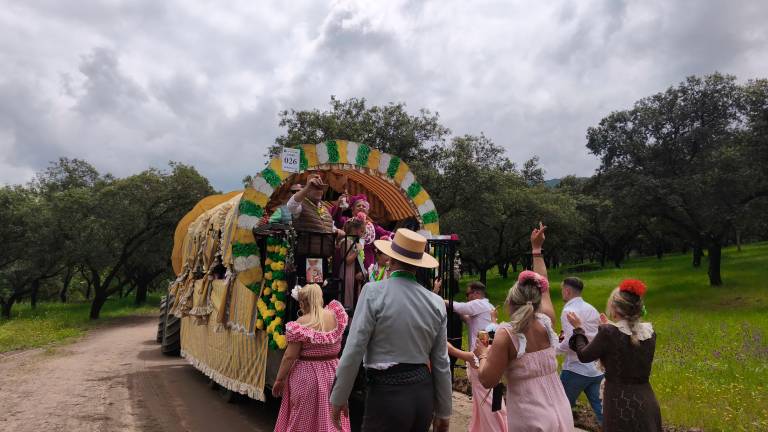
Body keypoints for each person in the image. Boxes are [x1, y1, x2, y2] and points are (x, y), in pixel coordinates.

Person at [330, 229, 452, 432]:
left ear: (390, 260)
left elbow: (354, 349)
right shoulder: (436, 302)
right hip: (422, 395)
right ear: (417, 265)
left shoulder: (373, 292)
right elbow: (441, 362)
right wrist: (444, 412)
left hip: (387, 394)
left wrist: (339, 396)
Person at [473, 223, 574, 431]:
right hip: (561, 410)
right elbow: (543, 284)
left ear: (510, 303)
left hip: (530, 417)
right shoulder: (546, 321)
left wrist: (483, 354)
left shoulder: (506, 334)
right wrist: (536, 250)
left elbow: (488, 379)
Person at [567, 279, 662, 432]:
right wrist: (609, 327)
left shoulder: (609, 333)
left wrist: (578, 329)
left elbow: (584, 355)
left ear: (615, 309)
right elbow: (626, 342)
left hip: (620, 404)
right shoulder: (649, 333)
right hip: (647, 402)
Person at [273, 284, 350, 432]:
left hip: (306, 376)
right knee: (330, 418)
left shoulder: (301, 323)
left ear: (302, 303)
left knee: (302, 420)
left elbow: (289, 356)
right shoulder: (335, 316)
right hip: (333, 375)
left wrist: (280, 379)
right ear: (320, 299)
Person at [433, 280, 508, 432]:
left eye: (468, 294)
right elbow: (468, 318)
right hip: (489, 355)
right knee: (486, 395)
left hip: (480, 356)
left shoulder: (479, 304)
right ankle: (484, 426)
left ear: (476, 293)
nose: (467, 298)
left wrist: (434, 295)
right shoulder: (487, 307)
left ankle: (491, 428)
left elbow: (458, 306)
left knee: (483, 396)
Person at [557, 276, 604, 424]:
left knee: (559, 410)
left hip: (576, 370)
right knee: (603, 412)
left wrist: (554, 350)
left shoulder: (569, 310)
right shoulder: (591, 308)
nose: (562, 294)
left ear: (567, 291)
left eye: (562, 290)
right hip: (596, 369)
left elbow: (572, 341)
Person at [332, 194, 392, 268]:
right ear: (352, 209)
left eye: (364, 206)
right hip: (347, 260)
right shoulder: (347, 221)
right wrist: (340, 205)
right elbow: (337, 219)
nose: (361, 207)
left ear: (367, 211)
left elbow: (386, 233)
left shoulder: (372, 226)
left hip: (365, 265)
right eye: (358, 206)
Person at [336, 216, 366, 308]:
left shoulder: (355, 241)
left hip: (354, 271)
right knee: (348, 294)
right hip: (348, 272)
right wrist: (357, 251)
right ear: (356, 230)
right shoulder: (347, 241)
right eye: (362, 231)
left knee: (354, 294)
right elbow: (347, 261)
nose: (363, 233)